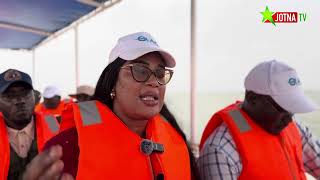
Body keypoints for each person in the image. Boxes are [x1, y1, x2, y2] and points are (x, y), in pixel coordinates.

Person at [23, 32, 199, 179]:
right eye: (140, 71)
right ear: (112, 82)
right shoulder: (67, 148)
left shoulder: (176, 139)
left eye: (160, 73)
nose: (154, 82)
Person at [198, 60, 319, 180]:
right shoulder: (220, 150)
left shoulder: (293, 127)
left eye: (292, 108)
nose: (288, 119)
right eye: (281, 107)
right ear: (252, 98)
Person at [0, 69, 60, 180]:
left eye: (25, 93)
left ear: (35, 97)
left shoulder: (53, 122)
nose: (20, 100)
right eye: (10, 96)